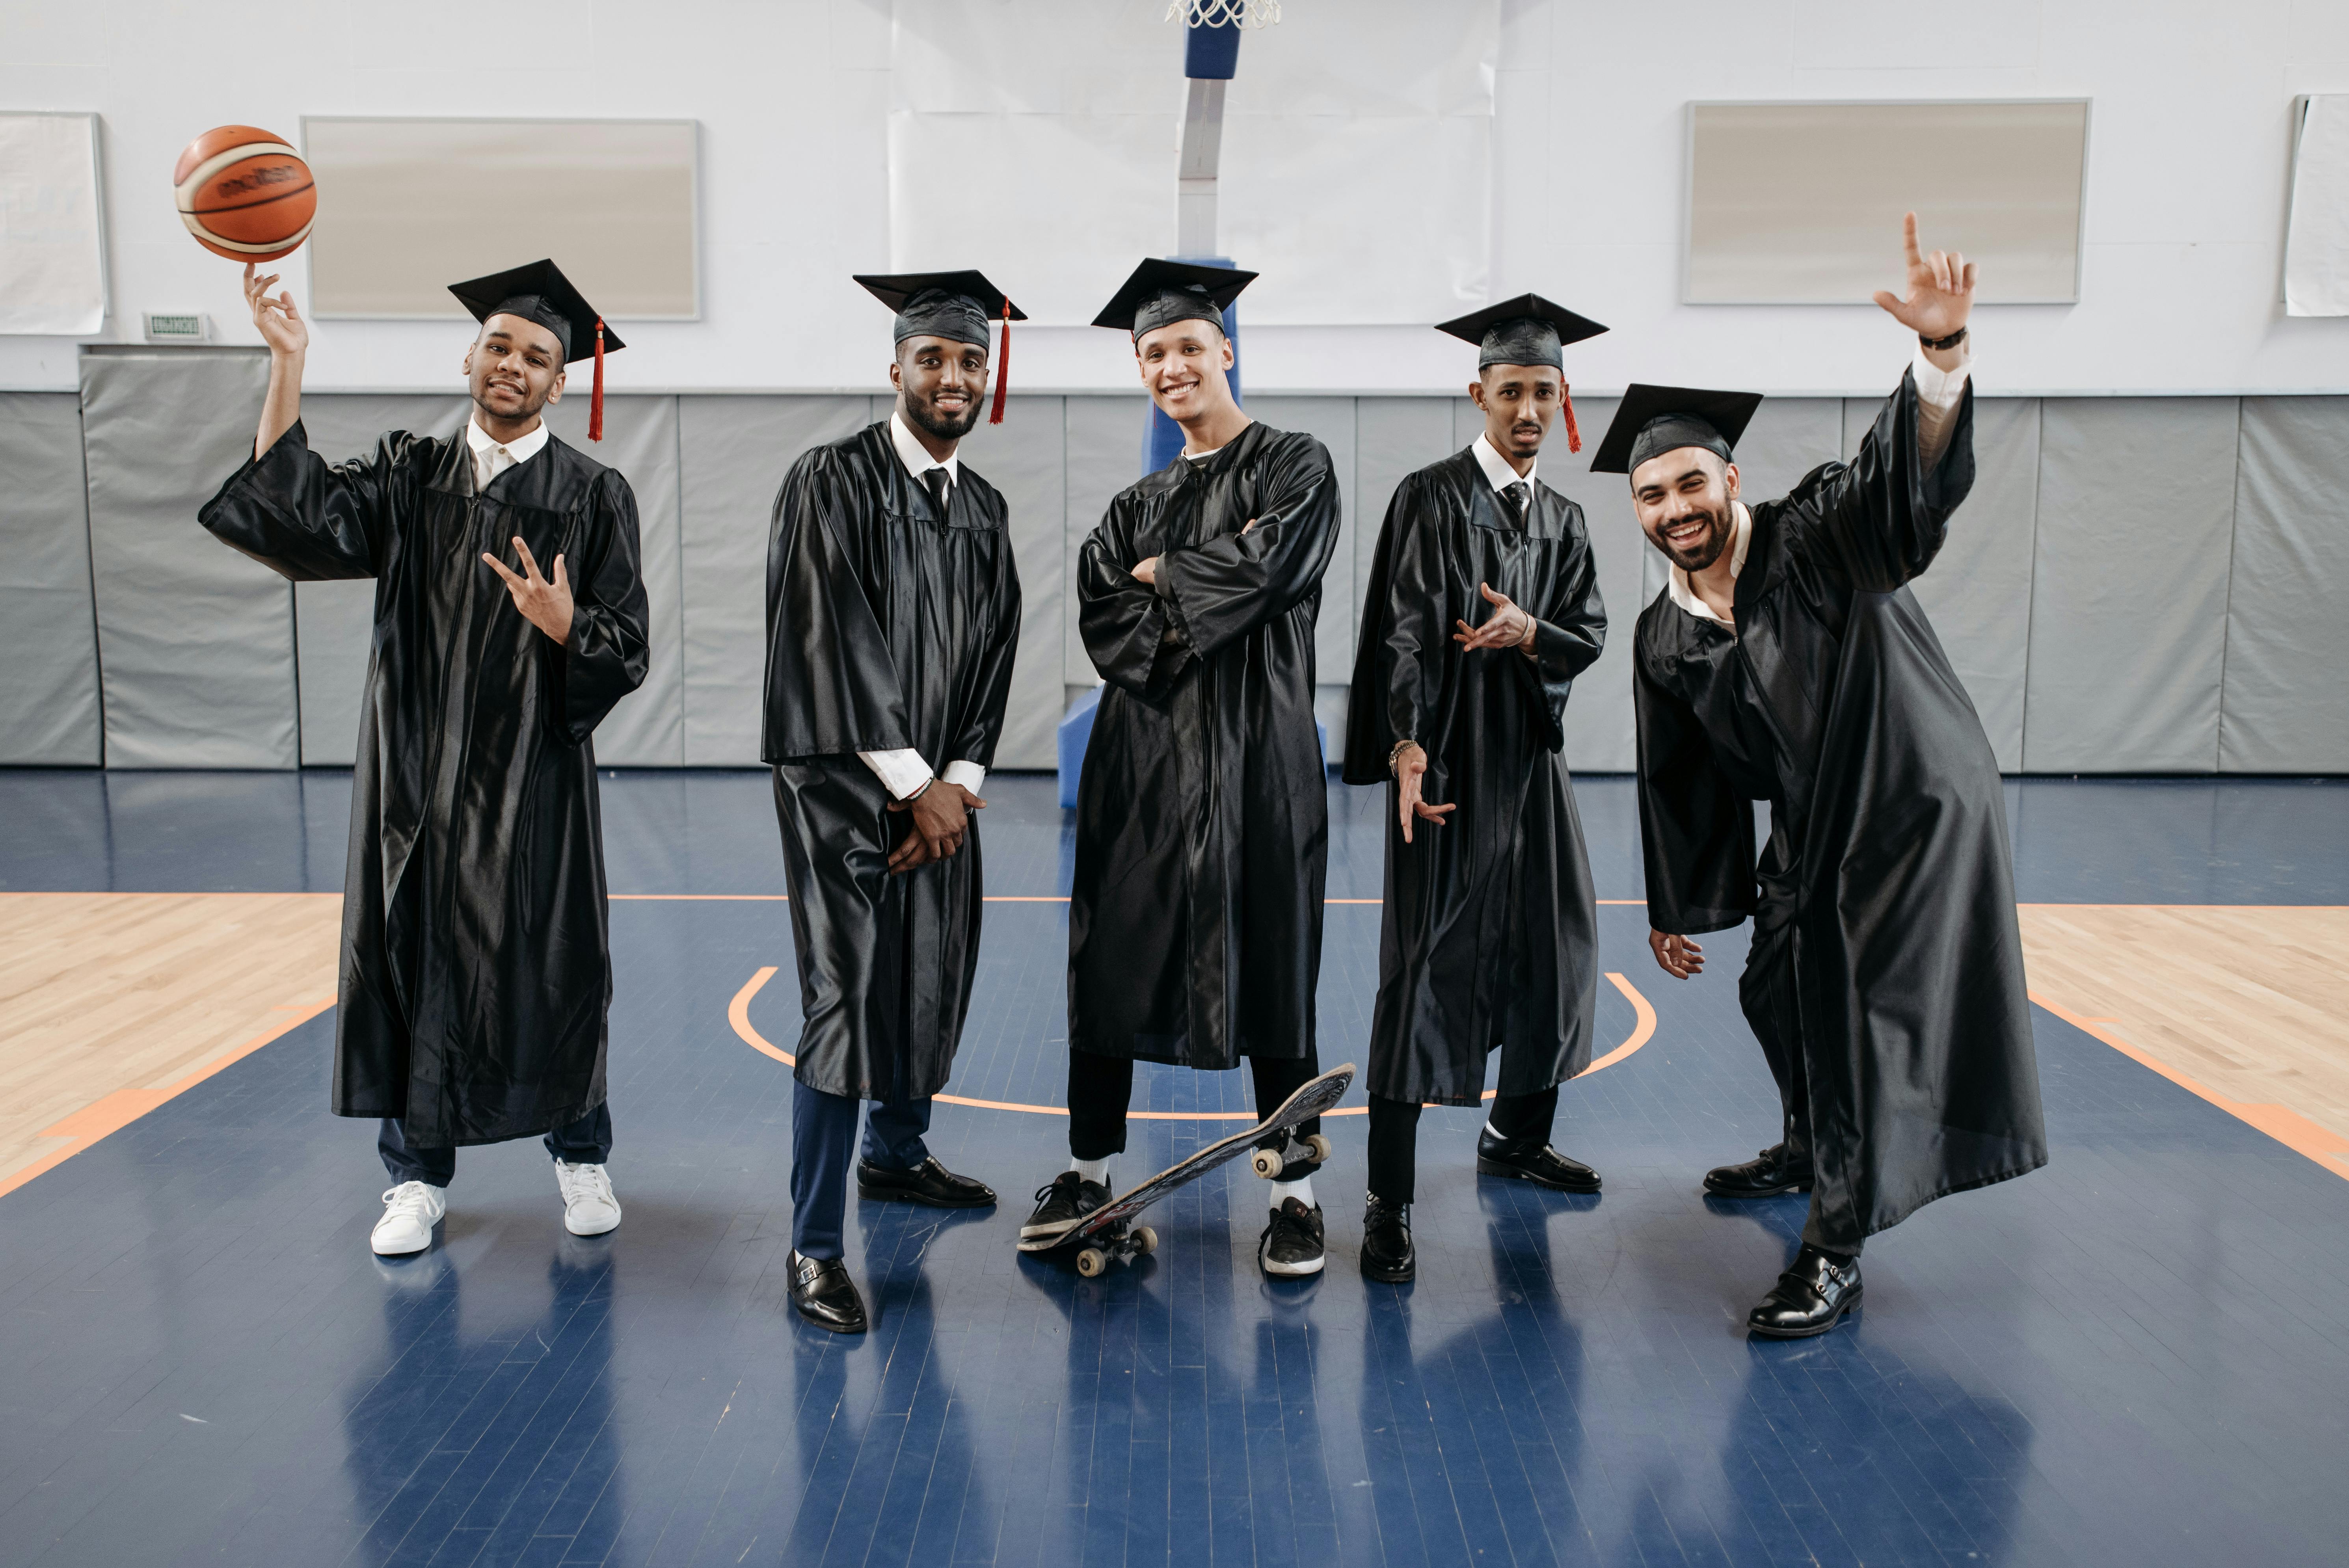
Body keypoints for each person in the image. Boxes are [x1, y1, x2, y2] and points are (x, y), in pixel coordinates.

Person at [1608, 215, 2046, 1337]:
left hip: (1908, 803)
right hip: (1817, 819)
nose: (1676, 510)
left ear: (1730, 477)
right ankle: (1810, 1143)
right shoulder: (1664, 636)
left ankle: (1832, 1245)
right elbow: (1683, 782)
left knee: (1850, 1010)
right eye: (1653, 496)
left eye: (1691, 483)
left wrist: (1940, 359)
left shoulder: (1813, 535)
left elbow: (1903, 500)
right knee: (1774, 982)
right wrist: (1679, 905)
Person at [199, 258, 649, 1256]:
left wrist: (568, 623)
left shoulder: (593, 496)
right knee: (410, 958)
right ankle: (415, 1178)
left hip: (533, 788)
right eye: (499, 345)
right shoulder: (410, 473)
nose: (513, 365)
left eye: (537, 355)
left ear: (560, 382)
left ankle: (580, 1150)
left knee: (553, 964)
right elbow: (296, 512)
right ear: (470, 355)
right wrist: (288, 362)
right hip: (414, 778)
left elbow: (630, 648)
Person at [1022, 259, 1343, 1278]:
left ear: (1226, 351)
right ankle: (1088, 1169)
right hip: (1147, 762)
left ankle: (1295, 1191)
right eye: (1153, 352)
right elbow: (1105, 618)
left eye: (1189, 347)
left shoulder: (1299, 465)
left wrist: (1174, 580)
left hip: (1263, 757)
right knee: (1112, 952)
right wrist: (1213, 581)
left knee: (1276, 960)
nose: (1172, 365)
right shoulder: (1130, 507)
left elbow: (1284, 561)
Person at [761, 270, 1025, 1333]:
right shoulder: (831, 478)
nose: (952, 376)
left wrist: (960, 779)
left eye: (969, 360)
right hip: (840, 789)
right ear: (897, 368)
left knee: (929, 967)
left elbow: (994, 654)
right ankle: (813, 1248)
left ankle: (898, 1155)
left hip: (938, 799)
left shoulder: (985, 506)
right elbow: (828, 641)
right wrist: (915, 787)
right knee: (847, 996)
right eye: (933, 358)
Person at [1340, 294, 1611, 1283]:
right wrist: (1407, 746)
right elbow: (1404, 630)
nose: (1527, 408)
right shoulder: (1429, 498)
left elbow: (1587, 629)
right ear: (1479, 393)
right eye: (1510, 391)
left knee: (1554, 954)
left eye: (1544, 391)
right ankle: (1387, 1200)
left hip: (1534, 770)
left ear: (1562, 398)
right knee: (1420, 974)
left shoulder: (1568, 519)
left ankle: (1518, 1137)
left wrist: (1530, 631)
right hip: (1449, 768)